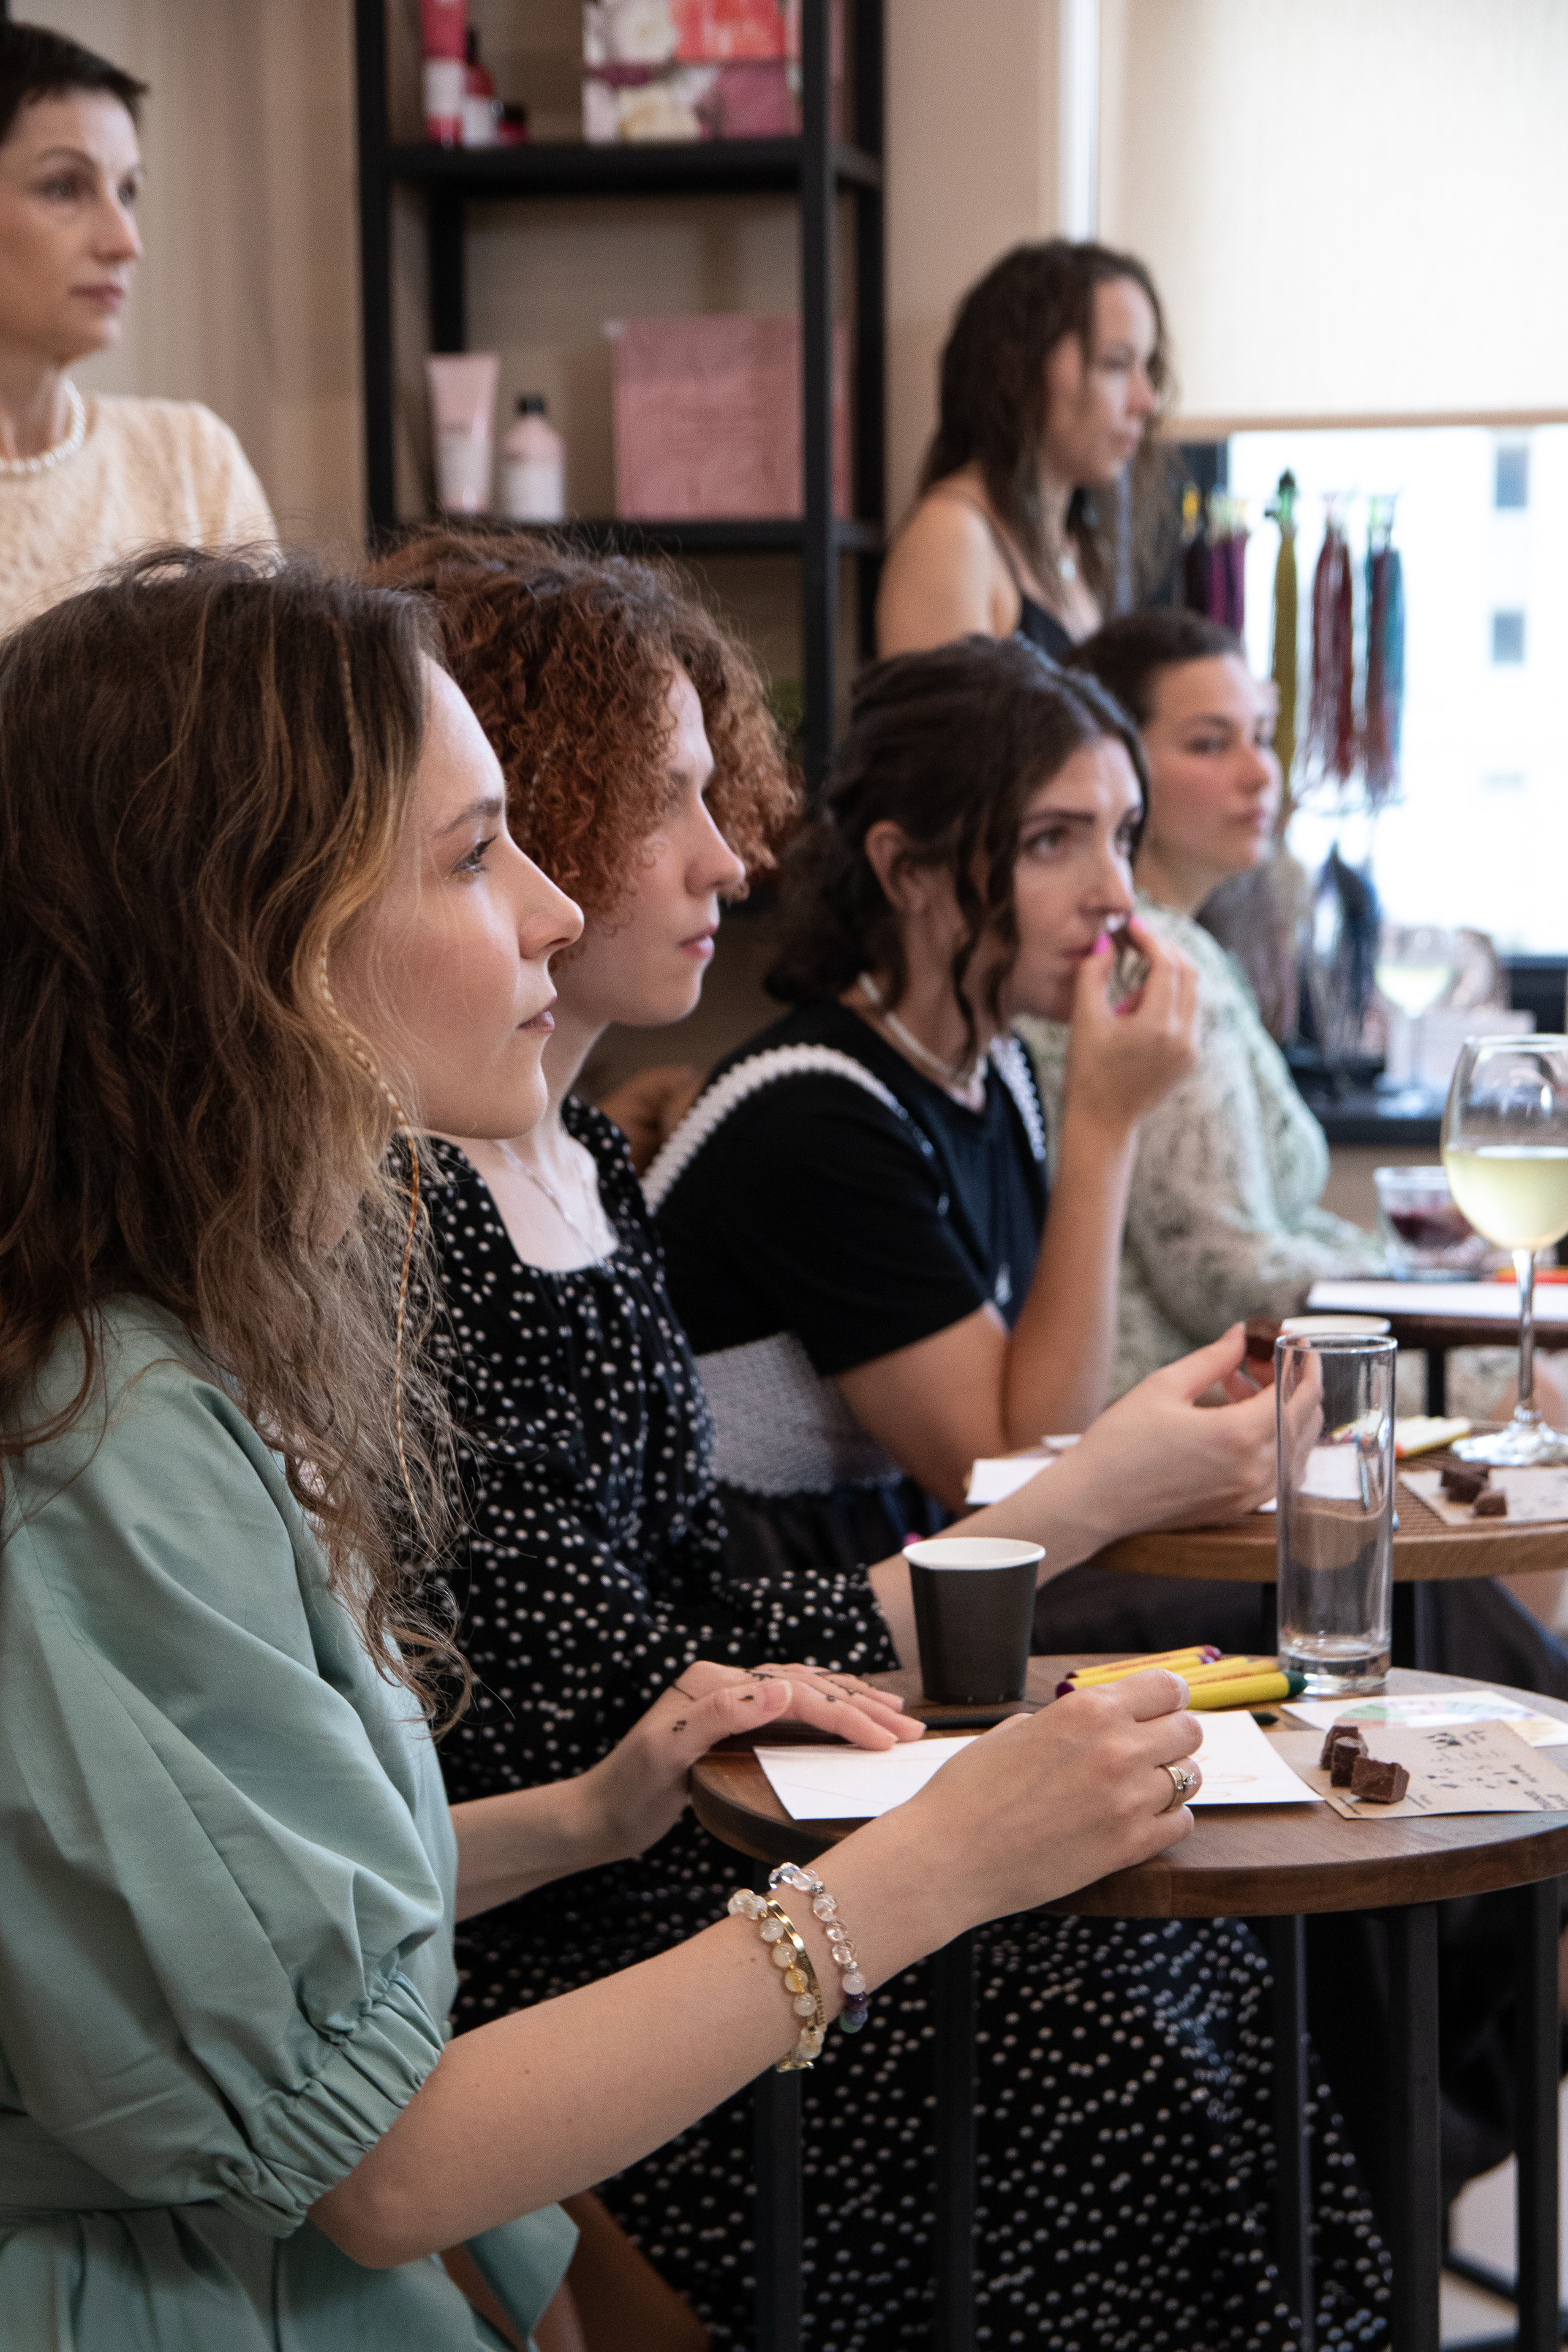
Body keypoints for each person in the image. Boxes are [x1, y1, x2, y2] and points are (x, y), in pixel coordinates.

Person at [0, 545, 1216, 2351]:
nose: (554, 911)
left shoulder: (218, 1345)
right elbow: (380, 2164)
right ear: (255, 938)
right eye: (476, 853)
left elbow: (285, 1902)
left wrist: (590, 1809)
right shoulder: (118, 1447)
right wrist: (933, 1865)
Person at [364, 538, 1389, 2347]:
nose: (730, 858)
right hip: (573, 1903)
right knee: (1116, 2037)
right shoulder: (474, 1203)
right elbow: (617, 1681)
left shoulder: (586, 1157)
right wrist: (1093, 1487)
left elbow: (690, 1611)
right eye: (663, 804)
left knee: (1211, 1952)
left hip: (710, 1794)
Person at [1021, 608, 1387, 1402]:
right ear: (1117, 764)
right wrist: (1429, 1296)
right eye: (1210, 744)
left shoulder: (1179, 942)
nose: (1261, 773)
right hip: (1177, 1403)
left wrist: (1409, 1266)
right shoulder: (1144, 960)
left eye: (1261, 735)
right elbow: (1221, 1270)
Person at [0, 22, 273, 634]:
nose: (126, 242)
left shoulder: (190, 461)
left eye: (128, 192)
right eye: (64, 187)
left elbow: (275, 724)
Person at [875, 239, 1169, 662]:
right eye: (1116, 364)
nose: (1146, 401)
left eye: (1148, 367)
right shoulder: (953, 537)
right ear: (1018, 371)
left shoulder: (1071, 544)